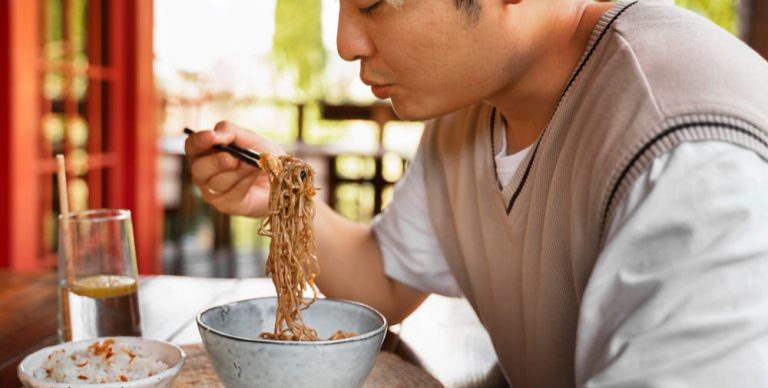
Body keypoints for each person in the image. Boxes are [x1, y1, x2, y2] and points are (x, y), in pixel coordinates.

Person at [185, 0, 768, 386]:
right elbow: (384, 283)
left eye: (373, 2)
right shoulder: (474, 107)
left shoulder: (694, 162)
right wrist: (282, 197)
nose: (345, 42)